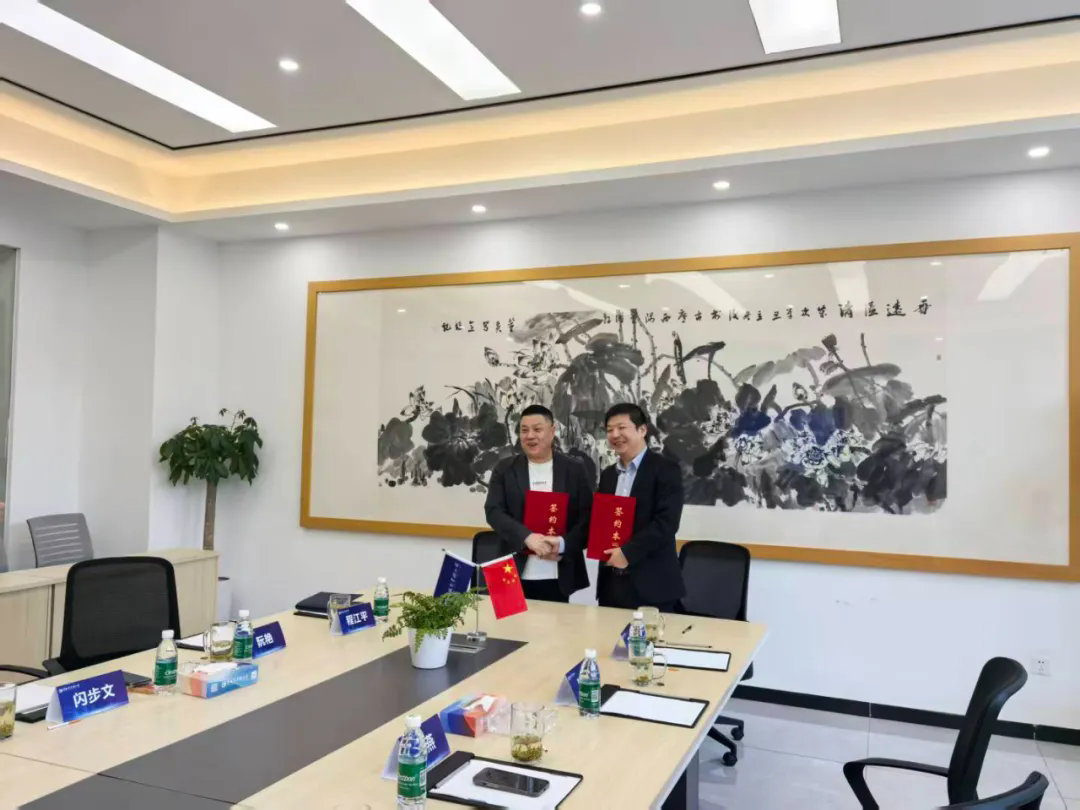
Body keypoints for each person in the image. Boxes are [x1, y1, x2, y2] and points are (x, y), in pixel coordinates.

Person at [484, 405, 593, 602]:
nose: (530, 436)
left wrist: (562, 545)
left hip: (558, 571)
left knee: (556, 622)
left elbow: (587, 516)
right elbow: (494, 511)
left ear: (552, 431)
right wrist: (526, 537)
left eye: (537, 429)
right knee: (509, 623)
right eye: (524, 430)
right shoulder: (505, 469)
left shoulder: (574, 469)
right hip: (511, 568)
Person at [596, 403, 685, 611]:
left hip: (653, 586)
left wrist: (627, 553)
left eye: (621, 428)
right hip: (611, 585)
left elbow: (667, 523)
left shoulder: (665, 469)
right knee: (608, 634)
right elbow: (600, 522)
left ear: (642, 430)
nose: (615, 435)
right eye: (610, 430)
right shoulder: (608, 475)